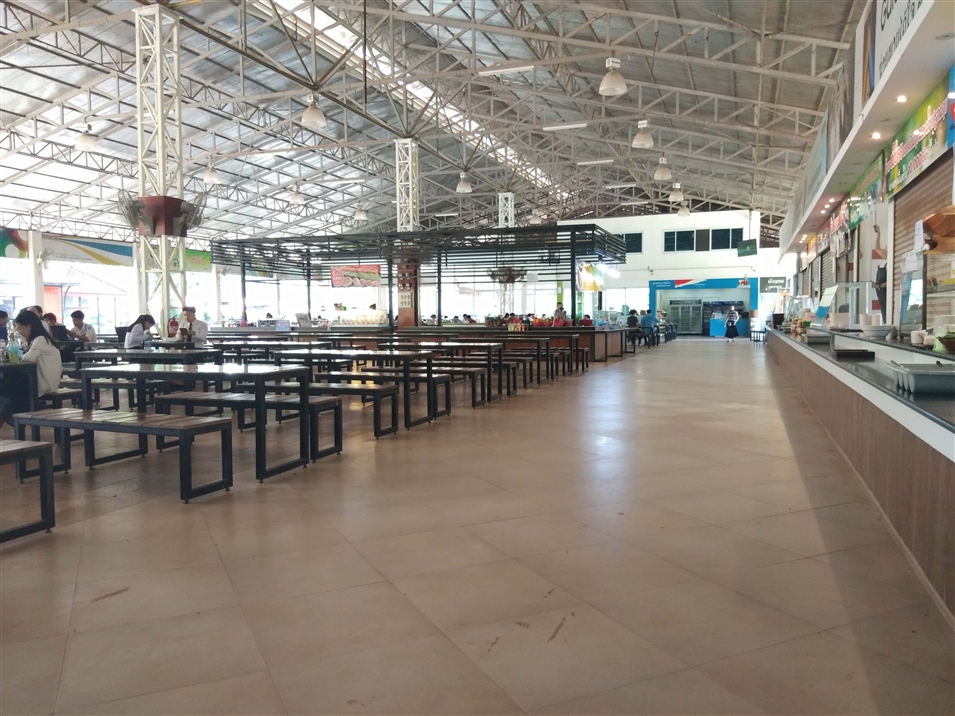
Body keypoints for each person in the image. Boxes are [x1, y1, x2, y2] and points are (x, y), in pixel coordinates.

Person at [13, 309, 62, 396]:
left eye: (20, 328)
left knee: (11, 383)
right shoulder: (36, 339)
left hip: (46, 383)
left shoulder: (40, 339)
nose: (19, 332)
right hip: (43, 378)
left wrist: (16, 356)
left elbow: (29, 358)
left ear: (29, 326)